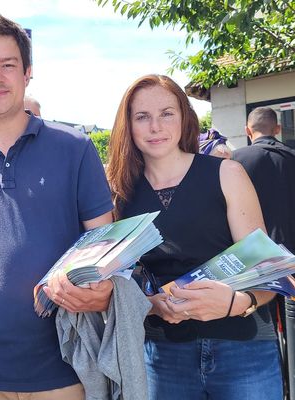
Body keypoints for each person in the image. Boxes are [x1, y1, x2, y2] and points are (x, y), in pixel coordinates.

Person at [0, 13, 114, 400]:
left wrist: (105, 290)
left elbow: (104, 246)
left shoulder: (75, 149)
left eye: (7, 65)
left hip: (64, 364)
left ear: (27, 72)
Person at [106, 74, 282, 399]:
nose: (155, 126)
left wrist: (236, 302)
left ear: (184, 117)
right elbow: (118, 280)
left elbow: (267, 272)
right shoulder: (119, 194)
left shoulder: (226, 174)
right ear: (127, 125)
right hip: (162, 352)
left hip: (242, 347)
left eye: (166, 113)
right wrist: (149, 304)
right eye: (142, 116)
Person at [232, 107, 295, 253]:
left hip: (257, 251)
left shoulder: (234, 161)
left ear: (247, 131)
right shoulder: (292, 157)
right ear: (278, 129)